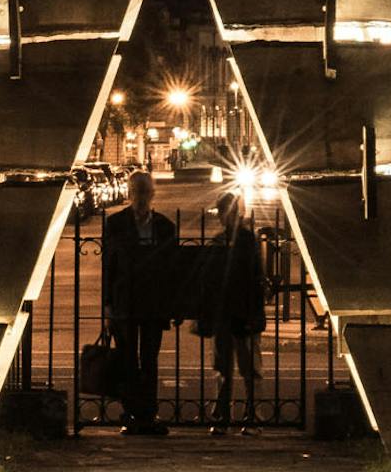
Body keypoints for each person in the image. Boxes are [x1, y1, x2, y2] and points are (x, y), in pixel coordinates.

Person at [99, 168, 180, 435]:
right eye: (138, 192)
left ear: (152, 193)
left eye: (145, 192)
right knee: (128, 359)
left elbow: (172, 270)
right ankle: (133, 412)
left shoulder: (165, 227)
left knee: (149, 359)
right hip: (126, 302)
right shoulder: (116, 224)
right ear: (131, 193)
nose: (142, 197)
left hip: (152, 303)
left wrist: (172, 303)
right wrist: (108, 303)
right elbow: (108, 266)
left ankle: (147, 412)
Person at [196, 197, 273, 432]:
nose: (225, 217)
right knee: (230, 366)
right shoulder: (234, 240)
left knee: (241, 366)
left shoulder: (243, 240)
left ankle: (236, 414)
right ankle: (233, 414)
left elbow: (253, 277)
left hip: (238, 310)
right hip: (232, 310)